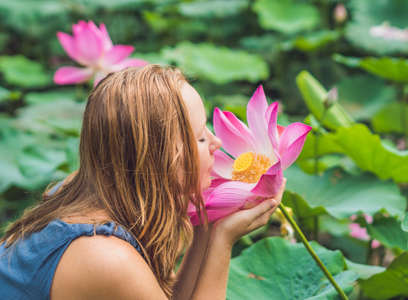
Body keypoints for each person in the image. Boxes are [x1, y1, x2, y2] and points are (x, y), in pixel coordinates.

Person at [0, 65, 285, 300]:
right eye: (200, 137)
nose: (217, 143)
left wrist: (207, 230)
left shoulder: (88, 199)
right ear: (160, 160)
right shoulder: (104, 256)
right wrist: (223, 242)